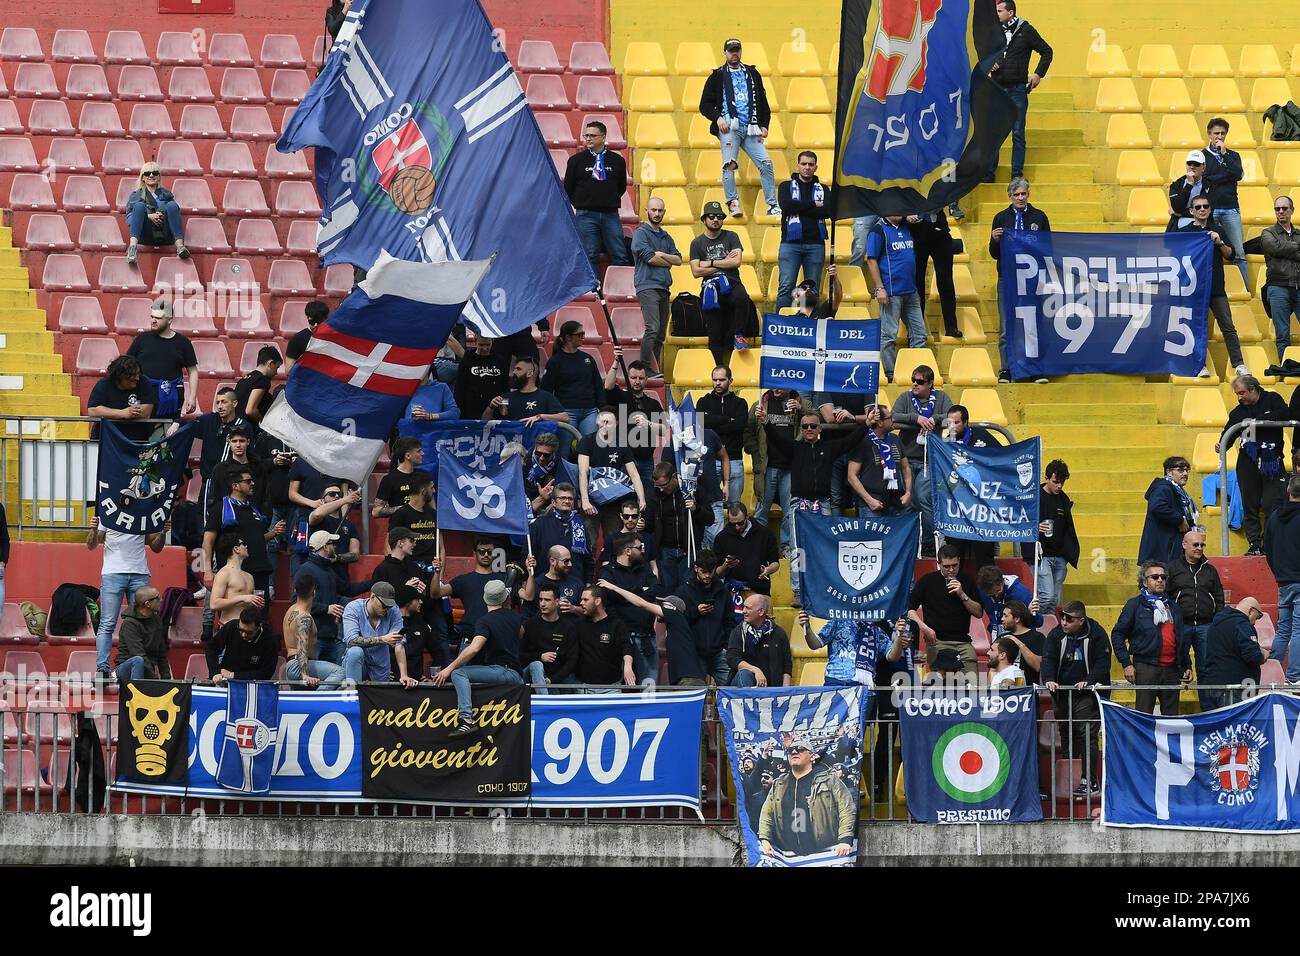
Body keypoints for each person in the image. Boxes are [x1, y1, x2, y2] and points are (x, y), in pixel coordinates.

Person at [698, 38, 777, 218]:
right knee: (729, 165)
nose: (734, 53)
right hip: (729, 129)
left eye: (737, 50)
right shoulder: (717, 76)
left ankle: (772, 205)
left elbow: (763, 102)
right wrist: (718, 118)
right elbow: (704, 104)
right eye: (731, 50)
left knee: (766, 163)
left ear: (741, 52)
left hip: (752, 128)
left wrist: (764, 125)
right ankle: (733, 203)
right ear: (725, 53)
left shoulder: (752, 73)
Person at [432, 579, 524, 732]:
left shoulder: (484, 621)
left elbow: (474, 649)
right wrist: (507, 608)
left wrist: (448, 669)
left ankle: (466, 718)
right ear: (505, 598)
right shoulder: (514, 617)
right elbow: (521, 634)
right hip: (517, 674)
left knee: (458, 672)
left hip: (501, 671)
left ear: (485, 598)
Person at [1041, 600, 1111, 797]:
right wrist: (1049, 679)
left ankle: (1090, 781)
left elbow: (1103, 663)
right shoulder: (1056, 634)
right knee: (1066, 733)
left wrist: (1089, 681)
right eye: (1063, 617)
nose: (1063, 622)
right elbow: (1048, 659)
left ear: (1081, 620)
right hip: (1061, 693)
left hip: (1086, 695)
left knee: (1087, 734)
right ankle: (1070, 778)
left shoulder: (1096, 633)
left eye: (1069, 619)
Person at [1217, 375, 1290, 556]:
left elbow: (1285, 414)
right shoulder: (1237, 411)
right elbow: (1228, 432)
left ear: (1253, 389)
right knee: (1249, 505)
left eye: (1242, 393)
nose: (1239, 397)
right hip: (1247, 462)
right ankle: (1254, 545)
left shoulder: (1272, 399)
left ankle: (1270, 543)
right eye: (1237, 394)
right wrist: (1221, 444)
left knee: (1271, 503)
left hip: (1271, 460)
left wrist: (1257, 420)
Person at [989, 177, 1052, 382]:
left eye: (1023, 193)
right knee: (1007, 326)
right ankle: (1006, 369)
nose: (1020, 198)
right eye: (1016, 194)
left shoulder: (1039, 217)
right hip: (1007, 278)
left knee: (1032, 324)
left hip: (1031, 279)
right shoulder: (1000, 218)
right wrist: (994, 240)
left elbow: (1048, 247)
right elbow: (994, 254)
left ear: (1028, 194)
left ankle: (1034, 369)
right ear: (1009, 196)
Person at [758, 731, 856, 859]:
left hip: (826, 852)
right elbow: (767, 814)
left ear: (812, 756)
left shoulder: (830, 780)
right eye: (790, 750)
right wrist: (765, 839)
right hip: (787, 856)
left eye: (799, 749)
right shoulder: (779, 784)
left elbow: (846, 809)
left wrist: (845, 840)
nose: (794, 752)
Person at [1112, 560, 1192, 716]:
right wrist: (1126, 663)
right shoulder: (1135, 605)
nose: (1160, 580)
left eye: (1163, 577)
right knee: (1144, 716)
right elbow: (1118, 634)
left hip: (1172, 670)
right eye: (1155, 577)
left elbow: (1181, 639)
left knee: (1171, 718)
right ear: (1144, 581)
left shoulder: (1173, 607)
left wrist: (1187, 664)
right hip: (1146, 668)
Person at [1180, 196, 1247, 377]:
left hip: (1216, 289)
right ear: (1192, 211)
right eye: (1198, 207)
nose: (1202, 209)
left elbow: (1231, 256)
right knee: (1194, 328)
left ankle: (1239, 364)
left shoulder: (1217, 230)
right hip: (1194, 290)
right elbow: (1173, 251)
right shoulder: (1185, 233)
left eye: (1205, 206)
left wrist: (1220, 242)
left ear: (1210, 209)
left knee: (1228, 326)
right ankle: (1198, 365)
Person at [986, 0, 1052, 182]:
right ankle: (990, 172)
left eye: (999, 11)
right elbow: (983, 54)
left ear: (1011, 12)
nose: (996, 14)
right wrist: (990, 63)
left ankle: (1016, 174)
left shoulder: (1026, 30)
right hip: (997, 88)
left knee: (1018, 133)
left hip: (1017, 89)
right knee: (994, 132)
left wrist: (1038, 74)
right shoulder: (993, 31)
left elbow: (1047, 51)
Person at [87, 524, 165, 676]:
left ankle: (137, 666)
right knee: (108, 623)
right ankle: (103, 669)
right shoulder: (108, 512)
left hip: (137, 572)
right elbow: (91, 545)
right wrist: (93, 529)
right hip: (115, 573)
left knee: (142, 622)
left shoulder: (141, 513)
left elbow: (156, 547)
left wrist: (163, 532)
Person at [759, 411, 866, 520]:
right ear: (801, 430)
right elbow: (776, 439)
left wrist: (867, 424)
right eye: (805, 427)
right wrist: (765, 422)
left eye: (813, 426)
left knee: (823, 537)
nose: (809, 429)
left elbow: (850, 441)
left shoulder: (829, 447)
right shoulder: (795, 448)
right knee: (798, 537)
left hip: (823, 503)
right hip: (798, 503)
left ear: (820, 428)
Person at [891, 365, 952, 548]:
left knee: (924, 497)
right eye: (913, 380)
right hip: (906, 460)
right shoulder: (905, 397)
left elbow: (951, 415)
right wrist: (915, 418)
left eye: (920, 382)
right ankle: (908, 543)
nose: (914, 385)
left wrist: (936, 419)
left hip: (929, 459)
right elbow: (893, 416)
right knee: (906, 501)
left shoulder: (941, 397)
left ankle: (928, 543)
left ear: (930, 383)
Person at [745, 388, 813, 549]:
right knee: (762, 510)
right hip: (767, 468)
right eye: (774, 385)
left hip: (791, 467)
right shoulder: (760, 405)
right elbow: (748, 431)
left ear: (789, 387)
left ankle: (787, 546)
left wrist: (801, 409)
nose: (776, 389)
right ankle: (759, 547)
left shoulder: (802, 404)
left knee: (790, 512)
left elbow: (817, 420)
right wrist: (755, 454)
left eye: (780, 386)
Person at [202, 463, 281, 600]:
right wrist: (208, 570)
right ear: (235, 486)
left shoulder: (253, 509)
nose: (252, 484)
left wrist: (273, 533)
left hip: (260, 571)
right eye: (248, 481)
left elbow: (255, 538)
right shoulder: (220, 509)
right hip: (235, 574)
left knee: (260, 618)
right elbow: (208, 542)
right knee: (234, 616)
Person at [1166, 528, 1226, 708]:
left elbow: (1219, 596)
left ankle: (1208, 711)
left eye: (1202, 545)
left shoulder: (1210, 570)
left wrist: (1217, 620)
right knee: (1177, 668)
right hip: (1180, 626)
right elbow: (1166, 596)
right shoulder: (1172, 569)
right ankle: (1172, 709)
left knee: (1206, 670)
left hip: (1206, 626)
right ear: (1184, 545)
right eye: (1195, 544)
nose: (1199, 548)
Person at [690, 201, 753, 369]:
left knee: (741, 297)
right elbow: (696, 272)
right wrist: (725, 262)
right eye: (711, 217)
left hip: (732, 281)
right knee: (714, 333)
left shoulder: (732, 236)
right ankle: (718, 370)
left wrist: (709, 262)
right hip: (710, 287)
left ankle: (738, 335)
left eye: (719, 217)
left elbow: (737, 262)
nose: (716, 220)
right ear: (704, 219)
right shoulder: (697, 243)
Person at [563, 119, 630, 277]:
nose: (588, 138)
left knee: (619, 254)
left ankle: (621, 287)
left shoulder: (618, 160)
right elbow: (569, 188)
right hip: (585, 214)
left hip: (610, 214)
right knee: (590, 254)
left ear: (603, 137)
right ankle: (595, 292)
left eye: (593, 135)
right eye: (586, 135)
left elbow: (621, 186)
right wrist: (584, 203)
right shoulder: (575, 161)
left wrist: (606, 201)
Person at [295, 528, 366, 665]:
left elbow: (347, 589)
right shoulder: (306, 570)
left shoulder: (328, 570)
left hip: (330, 635)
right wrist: (326, 608)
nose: (335, 546)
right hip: (315, 637)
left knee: (333, 676)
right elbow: (296, 602)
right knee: (317, 678)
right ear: (325, 547)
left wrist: (372, 583)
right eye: (332, 543)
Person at [597, 532, 662, 682]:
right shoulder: (607, 572)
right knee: (620, 689)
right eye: (639, 548)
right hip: (620, 638)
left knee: (649, 689)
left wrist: (619, 590)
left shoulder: (645, 568)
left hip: (646, 637)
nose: (643, 551)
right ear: (628, 551)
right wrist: (640, 591)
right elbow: (609, 596)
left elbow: (655, 591)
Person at [866, 214, 924, 382]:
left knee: (919, 335)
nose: (899, 212)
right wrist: (879, 288)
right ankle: (890, 374)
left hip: (911, 291)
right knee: (889, 335)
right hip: (891, 292)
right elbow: (871, 260)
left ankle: (918, 377)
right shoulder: (878, 230)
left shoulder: (908, 227)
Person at [908, 544, 982, 675]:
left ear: (959, 561)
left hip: (963, 642)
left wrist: (962, 594)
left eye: (955, 565)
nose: (951, 570)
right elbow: (909, 609)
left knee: (972, 688)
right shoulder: (927, 581)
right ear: (939, 563)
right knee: (940, 691)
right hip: (937, 642)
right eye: (946, 566)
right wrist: (924, 628)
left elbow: (978, 613)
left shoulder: (967, 581)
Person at [577, 407, 647, 538]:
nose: (605, 425)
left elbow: (634, 474)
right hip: (592, 500)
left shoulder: (622, 444)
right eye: (602, 421)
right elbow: (583, 472)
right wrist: (585, 500)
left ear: (616, 425)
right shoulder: (587, 441)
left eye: (608, 422)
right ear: (597, 424)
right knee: (589, 541)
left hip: (613, 500)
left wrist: (641, 498)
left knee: (614, 539)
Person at [630, 196, 682, 372]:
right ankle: (644, 369)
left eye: (660, 210)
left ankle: (653, 367)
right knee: (652, 328)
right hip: (647, 286)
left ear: (664, 212)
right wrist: (666, 260)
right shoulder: (641, 233)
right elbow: (650, 258)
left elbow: (678, 260)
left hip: (664, 288)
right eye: (654, 210)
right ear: (646, 211)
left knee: (660, 334)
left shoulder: (666, 236)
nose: (657, 213)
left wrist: (662, 255)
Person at [775, 151, 832, 310]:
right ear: (798, 165)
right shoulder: (786, 186)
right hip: (790, 245)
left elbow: (826, 211)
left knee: (812, 290)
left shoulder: (824, 189)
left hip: (815, 244)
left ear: (816, 167)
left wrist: (799, 205)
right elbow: (787, 206)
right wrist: (814, 204)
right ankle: (780, 326)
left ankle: (809, 325)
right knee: (786, 287)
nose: (807, 167)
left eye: (811, 164)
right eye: (804, 164)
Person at [432, 538, 512, 649]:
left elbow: (528, 595)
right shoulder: (464, 580)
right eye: (482, 551)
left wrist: (530, 569)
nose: (485, 555)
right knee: (466, 666)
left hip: (497, 636)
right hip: (470, 636)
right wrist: (437, 572)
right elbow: (436, 593)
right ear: (474, 554)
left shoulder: (503, 580)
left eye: (489, 552)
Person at [126, 298, 197, 419]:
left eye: (158, 318)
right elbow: (126, 365)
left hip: (172, 394)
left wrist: (192, 397)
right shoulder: (141, 339)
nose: (153, 321)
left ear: (169, 319)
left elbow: (192, 370)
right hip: (143, 393)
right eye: (152, 317)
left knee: (169, 432)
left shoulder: (183, 342)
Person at [1024, 459, 1078, 613]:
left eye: (1062, 482)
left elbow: (1068, 528)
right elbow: (1020, 520)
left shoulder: (1064, 499)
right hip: (1040, 555)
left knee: (1053, 602)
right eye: (1055, 482)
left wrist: (1068, 554)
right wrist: (1035, 528)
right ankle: (1027, 619)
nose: (1059, 486)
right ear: (1046, 478)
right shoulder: (1033, 497)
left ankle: (1045, 634)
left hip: (1059, 556)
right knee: (1047, 597)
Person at [603, 358, 664, 490]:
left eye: (641, 378)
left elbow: (664, 429)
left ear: (646, 379)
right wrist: (615, 362)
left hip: (646, 460)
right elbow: (608, 386)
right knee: (622, 495)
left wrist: (648, 424)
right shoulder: (621, 397)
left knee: (647, 498)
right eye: (633, 377)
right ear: (628, 378)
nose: (637, 381)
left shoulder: (653, 403)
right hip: (623, 458)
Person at [1202, 116, 1249, 285]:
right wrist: (1227, 175)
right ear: (1209, 134)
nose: (1219, 137)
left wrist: (1224, 155)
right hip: (1210, 210)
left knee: (1239, 254)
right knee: (1211, 253)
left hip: (1231, 209)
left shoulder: (1233, 155)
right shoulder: (1202, 156)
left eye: (1222, 133)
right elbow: (1206, 178)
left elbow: (1237, 175)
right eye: (1216, 133)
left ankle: (1245, 290)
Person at [673, 549, 732, 682]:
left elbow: (729, 621)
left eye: (710, 572)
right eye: (703, 572)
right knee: (698, 694)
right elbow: (677, 622)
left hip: (719, 651)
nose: (707, 575)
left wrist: (726, 646)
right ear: (696, 568)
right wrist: (696, 612)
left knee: (729, 692)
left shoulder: (723, 591)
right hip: (694, 652)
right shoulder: (683, 591)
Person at [643, 463, 700, 592]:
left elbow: (709, 519)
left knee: (688, 589)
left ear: (674, 477)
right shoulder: (654, 495)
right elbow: (650, 524)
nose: (661, 489)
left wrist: (696, 509)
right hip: (666, 550)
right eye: (658, 486)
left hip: (689, 549)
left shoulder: (692, 491)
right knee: (668, 590)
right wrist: (643, 523)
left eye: (664, 485)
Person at [1200, 598, 1266, 708]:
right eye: (1257, 616)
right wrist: (1263, 655)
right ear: (1251, 611)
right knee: (1236, 723)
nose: (1255, 622)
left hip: (1212, 685)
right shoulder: (1242, 624)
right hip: (1234, 688)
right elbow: (1253, 656)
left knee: (1217, 724)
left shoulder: (1216, 623)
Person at [1265, 474, 1300, 681]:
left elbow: (1268, 550)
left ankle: (1273, 674)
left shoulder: (1274, 516)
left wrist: (1279, 573)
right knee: (1298, 630)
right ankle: (1294, 676)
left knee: (1284, 629)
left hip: (1284, 582)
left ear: (1288, 491)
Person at [696, 366, 748, 507]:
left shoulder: (740, 403)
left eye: (721, 380)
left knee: (735, 506)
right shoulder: (703, 401)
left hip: (734, 460)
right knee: (710, 504)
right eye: (715, 379)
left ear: (730, 380)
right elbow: (701, 424)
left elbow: (739, 426)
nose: (717, 383)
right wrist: (727, 419)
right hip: (710, 460)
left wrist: (713, 423)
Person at [799, 610, 891, 689]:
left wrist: (899, 636)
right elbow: (815, 644)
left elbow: (892, 656)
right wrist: (807, 628)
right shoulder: (838, 622)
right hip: (835, 682)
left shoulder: (876, 630)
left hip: (862, 686)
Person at [283, 575, 346, 688]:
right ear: (314, 592)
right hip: (299, 666)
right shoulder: (304, 617)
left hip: (291, 665)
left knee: (301, 703)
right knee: (340, 672)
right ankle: (318, 701)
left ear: (295, 590)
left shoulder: (291, 610)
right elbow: (301, 645)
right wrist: (305, 675)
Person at [847, 405, 911, 516]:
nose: (893, 420)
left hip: (896, 501)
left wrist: (908, 493)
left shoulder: (895, 439)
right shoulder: (862, 441)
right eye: (890, 418)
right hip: (872, 504)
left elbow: (906, 468)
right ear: (880, 423)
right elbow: (851, 476)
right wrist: (869, 500)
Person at [539, 323, 601, 435]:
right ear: (568, 337)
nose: (583, 337)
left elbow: (598, 385)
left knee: (590, 449)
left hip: (590, 411)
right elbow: (546, 389)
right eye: (580, 334)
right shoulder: (555, 361)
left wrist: (602, 408)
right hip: (566, 412)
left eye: (584, 334)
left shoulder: (588, 358)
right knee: (564, 450)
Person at [124, 161, 189, 266]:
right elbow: (130, 218)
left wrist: (162, 215)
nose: (151, 175)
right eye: (147, 173)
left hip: (164, 232)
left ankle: (180, 247)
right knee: (139, 206)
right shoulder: (135, 196)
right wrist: (149, 216)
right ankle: (132, 249)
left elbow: (174, 215)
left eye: (154, 173)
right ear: (142, 178)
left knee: (172, 205)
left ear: (159, 177)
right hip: (146, 233)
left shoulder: (167, 195)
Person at [194, 387, 248, 514]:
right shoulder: (208, 421)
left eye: (224, 402)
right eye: (218, 402)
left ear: (234, 404)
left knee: (232, 523)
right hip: (209, 483)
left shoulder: (244, 426)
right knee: (206, 525)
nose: (219, 406)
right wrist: (177, 423)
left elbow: (250, 457)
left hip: (233, 484)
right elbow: (188, 425)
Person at [529, 483, 594, 585]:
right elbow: (529, 554)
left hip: (574, 583)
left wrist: (588, 582)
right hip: (545, 584)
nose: (567, 501)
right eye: (562, 498)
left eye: (570, 498)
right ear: (554, 502)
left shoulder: (580, 525)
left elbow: (588, 558)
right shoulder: (540, 523)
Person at [1137, 456, 1199, 565]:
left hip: (1168, 548)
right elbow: (1157, 506)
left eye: (1187, 470)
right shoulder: (1163, 487)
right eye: (1180, 470)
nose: (1185, 474)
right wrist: (1179, 520)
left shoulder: (1176, 489)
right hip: (1162, 550)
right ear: (1169, 472)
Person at [573, 585, 636, 690]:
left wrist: (628, 666)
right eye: (581, 600)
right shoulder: (579, 624)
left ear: (598, 601)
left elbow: (626, 647)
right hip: (583, 687)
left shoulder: (616, 625)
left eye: (585, 600)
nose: (581, 603)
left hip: (611, 688)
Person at [712, 502, 780, 596]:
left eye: (740, 523)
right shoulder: (721, 537)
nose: (737, 527)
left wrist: (768, 570)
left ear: (747, 516)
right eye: (732, 524)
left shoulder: (765, 534)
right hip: (732, 591)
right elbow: (717, 573)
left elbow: (775, 562)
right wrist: (726, 565)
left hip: (759, 590)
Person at [341, 582, 404, 684]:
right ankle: (352, 694)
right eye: (384, 605)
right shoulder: (353, 608)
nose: (386, 609)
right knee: (355, 652)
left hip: (380, 666)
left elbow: (399, 644)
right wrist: (382, 639)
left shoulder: (393, 610)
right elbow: (351, 641)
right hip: (357, 665)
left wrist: (404, 675)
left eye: (389, 606)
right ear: (372, 597)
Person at [520, 583, 579, 690]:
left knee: (573, 685)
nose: (542, 604)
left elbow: (572, 660)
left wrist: (552, 680)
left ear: (557, 602)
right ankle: (545, 702)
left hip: (558, 678)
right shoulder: (529, 625)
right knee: (536, 665)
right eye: (540, 599)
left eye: (547, 600)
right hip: (531, 677)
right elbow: (519, 656)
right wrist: (540, 656)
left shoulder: (568, 627)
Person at [1263, 195, 1300, 361]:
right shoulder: (1267, 233)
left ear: (1292, 210)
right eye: (1277, 209)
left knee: (1283, 334)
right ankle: (1286, 370)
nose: (1281, 212)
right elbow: (1274, 249)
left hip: (1298, 286)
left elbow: (1279, 249)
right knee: (1283, 335)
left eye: (1284, 208)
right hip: (1278, 287)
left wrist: (1284, 249)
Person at [87, 354, 157, 442]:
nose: (137, 378)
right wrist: (123, 413)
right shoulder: (104, 384)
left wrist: (129, 413)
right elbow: (93, 410)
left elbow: (146, 412)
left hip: (136, 441)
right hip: (106, 440)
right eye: (132, 375)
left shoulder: (144, 382)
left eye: (138, 374)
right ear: (120, 376)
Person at [726, 593, 792, 687]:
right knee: (744, 674)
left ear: (761, 612)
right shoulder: (738, 632)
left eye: (748, 608)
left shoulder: (779, 633)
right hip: (744, 684)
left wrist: (786, 692)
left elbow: (787, 667)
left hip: (771, 687)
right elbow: (732, 659)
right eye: (744, 607)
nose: (743, 611)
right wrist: (756, 670)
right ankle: (748, 700)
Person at [489, 356, 568, 428]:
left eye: (518, 369)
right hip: (509, 442)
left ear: (529, 373)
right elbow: (485, 421)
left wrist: (540, 417)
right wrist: (491, 407)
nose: (514, 372)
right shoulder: (505, 398)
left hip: (533, 442)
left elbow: (565, 417)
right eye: (514, 369)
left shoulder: (545, 397)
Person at [112, 587, 170, 684]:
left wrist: (166, 679)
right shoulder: (129, 623)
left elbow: (162, 652)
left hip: (147, 670)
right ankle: (137, 693)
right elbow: (138, 653)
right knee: (138, 660)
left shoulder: (157, 620)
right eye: (158, 598)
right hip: (126, 669)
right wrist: (154, 680)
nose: (161, 600)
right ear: (147, 604)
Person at [210, 605, 278, 682]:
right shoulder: (232, 626)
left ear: (259, 627)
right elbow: (211, 647)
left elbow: (265, 673)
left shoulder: (270, 640)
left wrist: (233, 675)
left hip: (253, 684)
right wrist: (215, 672)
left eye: (249, 632)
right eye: (241, 630)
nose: (243, 635)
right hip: (225, 680)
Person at [975, 565, 1043, 640]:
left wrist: (1031, 614)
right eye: (991, 594)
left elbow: (1038, 622)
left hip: (1022, 641)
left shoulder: (1020, 593)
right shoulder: (983, 591)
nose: (996, 595)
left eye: (998, 591)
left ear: (1002, 582)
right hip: (998, 639)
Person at [372, 437, 433, 518]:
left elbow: (432, 507)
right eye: (418, 451)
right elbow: (376, 512)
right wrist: (405, 509)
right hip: (401, 527)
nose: (423, 453)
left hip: (423, 526)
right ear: (408, 456)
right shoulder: (389, 479)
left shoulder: (424, 476)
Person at [453, 334, 508, 421]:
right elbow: (460, 387)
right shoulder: (468, 359)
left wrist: (504, 410)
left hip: (494, 408)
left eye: (488, 345)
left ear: (492, 342)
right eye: (481, 345)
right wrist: (460, 411)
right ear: (475, 342)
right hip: (471, 408)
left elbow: (505, 387)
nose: (485, 348)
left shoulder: (499, 360)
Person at [393, 585, 440, 684]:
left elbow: (437, 652)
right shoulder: (389, 623)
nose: (421, 602)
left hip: (417, 683)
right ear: (408, 602)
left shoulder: (422, 625)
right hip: (392, 682)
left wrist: (435, 677)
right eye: (417, 599)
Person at [518, 544, 585, 615]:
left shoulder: (576, 583)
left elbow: (587, 611)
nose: (570, 564)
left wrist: (573, 609)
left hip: (570, 624)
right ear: (552, 561)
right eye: (566, 561)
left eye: (570, 560)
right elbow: (527, 613)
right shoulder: (537, 583)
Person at [598, 501, 658, 574]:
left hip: (643, 582)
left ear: (639, 516)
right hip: (619, 581)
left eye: (634, 516)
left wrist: (655, 584)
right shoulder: (611, 539)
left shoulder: (648, 538)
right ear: (621, 516)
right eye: (626, 516)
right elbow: (606, 565)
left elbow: (653, 566)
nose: (630, 519)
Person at [390, 474, 437, 562]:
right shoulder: (400, 514)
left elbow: (441, 548)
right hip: (409, 568)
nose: (434, 491)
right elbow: (389, 545)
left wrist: (440, 573)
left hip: (433, 567)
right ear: (423, 491)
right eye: (431, 488)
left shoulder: (434, 514)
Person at [234, 345, 282, 427]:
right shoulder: (262, 380)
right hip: (247, 428)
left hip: (236, 425)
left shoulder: (245, 378)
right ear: (270, 363)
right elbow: (250, 410)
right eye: (276, 367)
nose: (276, 373)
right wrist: (265, 425)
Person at [999, 599, 1045, 685]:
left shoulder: (1037, 637)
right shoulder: (1002, 638)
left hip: (1028, 693)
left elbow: (1037, 666)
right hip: (1004, 694)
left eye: (1005, 616)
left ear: (1016, 619)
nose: (1002, 619)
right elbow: (993, 668)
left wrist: (1018, 643)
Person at [1166, 150, 1207, 231]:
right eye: (1189, 163)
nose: (1192, 167)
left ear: (1203, 167)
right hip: (1178, 227)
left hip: (1203, 227)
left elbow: (1208, 210)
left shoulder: (1210, 185)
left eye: (1196, 164)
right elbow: (1177, 207)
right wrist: (1189, 185)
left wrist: (1180, 213)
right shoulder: (1176, 185)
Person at [284, 300, 328, 371]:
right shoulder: (297, 340)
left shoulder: (331, 338)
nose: (315, 325)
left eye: (319, 322)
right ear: (307, 318)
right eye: (312, 322)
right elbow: (289, 370)